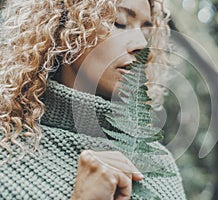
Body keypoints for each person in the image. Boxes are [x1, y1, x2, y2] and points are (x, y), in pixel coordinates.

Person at [0, 0, 186, 199]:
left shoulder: (161, 165)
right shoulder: (8, 152)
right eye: (119, 22)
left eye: (147, 32)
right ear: (66, 28)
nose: (142, 45)